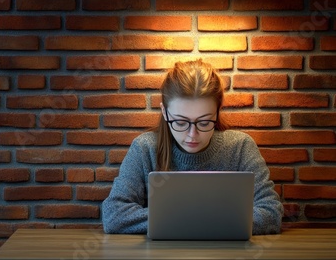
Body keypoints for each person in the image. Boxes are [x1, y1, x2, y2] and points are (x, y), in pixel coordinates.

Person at [102, 59, 283, 235]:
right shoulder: (144, 148)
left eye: (204, 122)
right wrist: (208, 221)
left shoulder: (240, 147)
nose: (192, 135)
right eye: (180, 122)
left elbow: (271, 212)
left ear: (218, 111)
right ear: (164, 112)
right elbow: (114, 215)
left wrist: (176, 220)